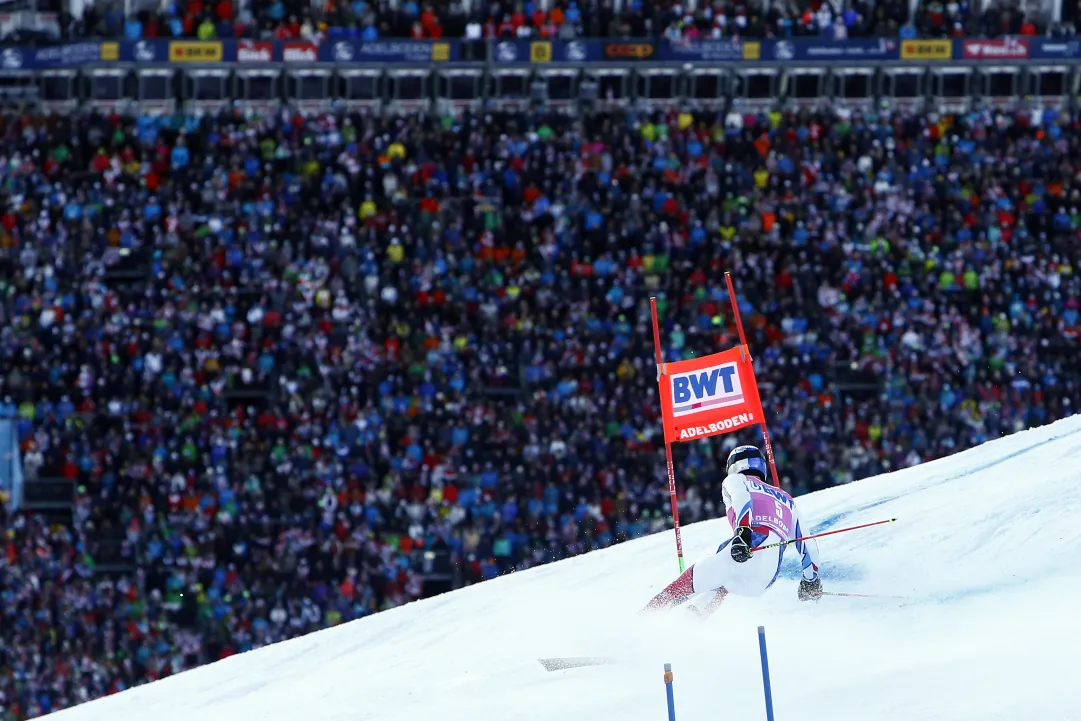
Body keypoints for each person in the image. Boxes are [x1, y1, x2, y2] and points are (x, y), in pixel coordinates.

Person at [643, 445, 823, 616]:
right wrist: (810, 580)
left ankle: (642, 620)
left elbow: (742, 499)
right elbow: (808, 545)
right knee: (723, 584)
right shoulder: (787, 499)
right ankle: (690, 622)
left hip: (749, 546)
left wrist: (743, 533)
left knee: (682, 587)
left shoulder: (736, 480)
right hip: (766, 576)